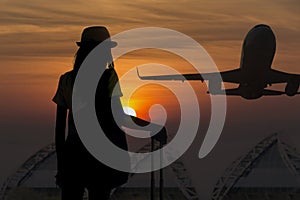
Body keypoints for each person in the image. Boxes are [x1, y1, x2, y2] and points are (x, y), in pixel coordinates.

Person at [52, 26, 167, 200]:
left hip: (73, 155)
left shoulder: (66, 80)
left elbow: (60, 129)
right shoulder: (108, 79)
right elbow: (119, 117)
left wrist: (62, 164)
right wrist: (151, 127)